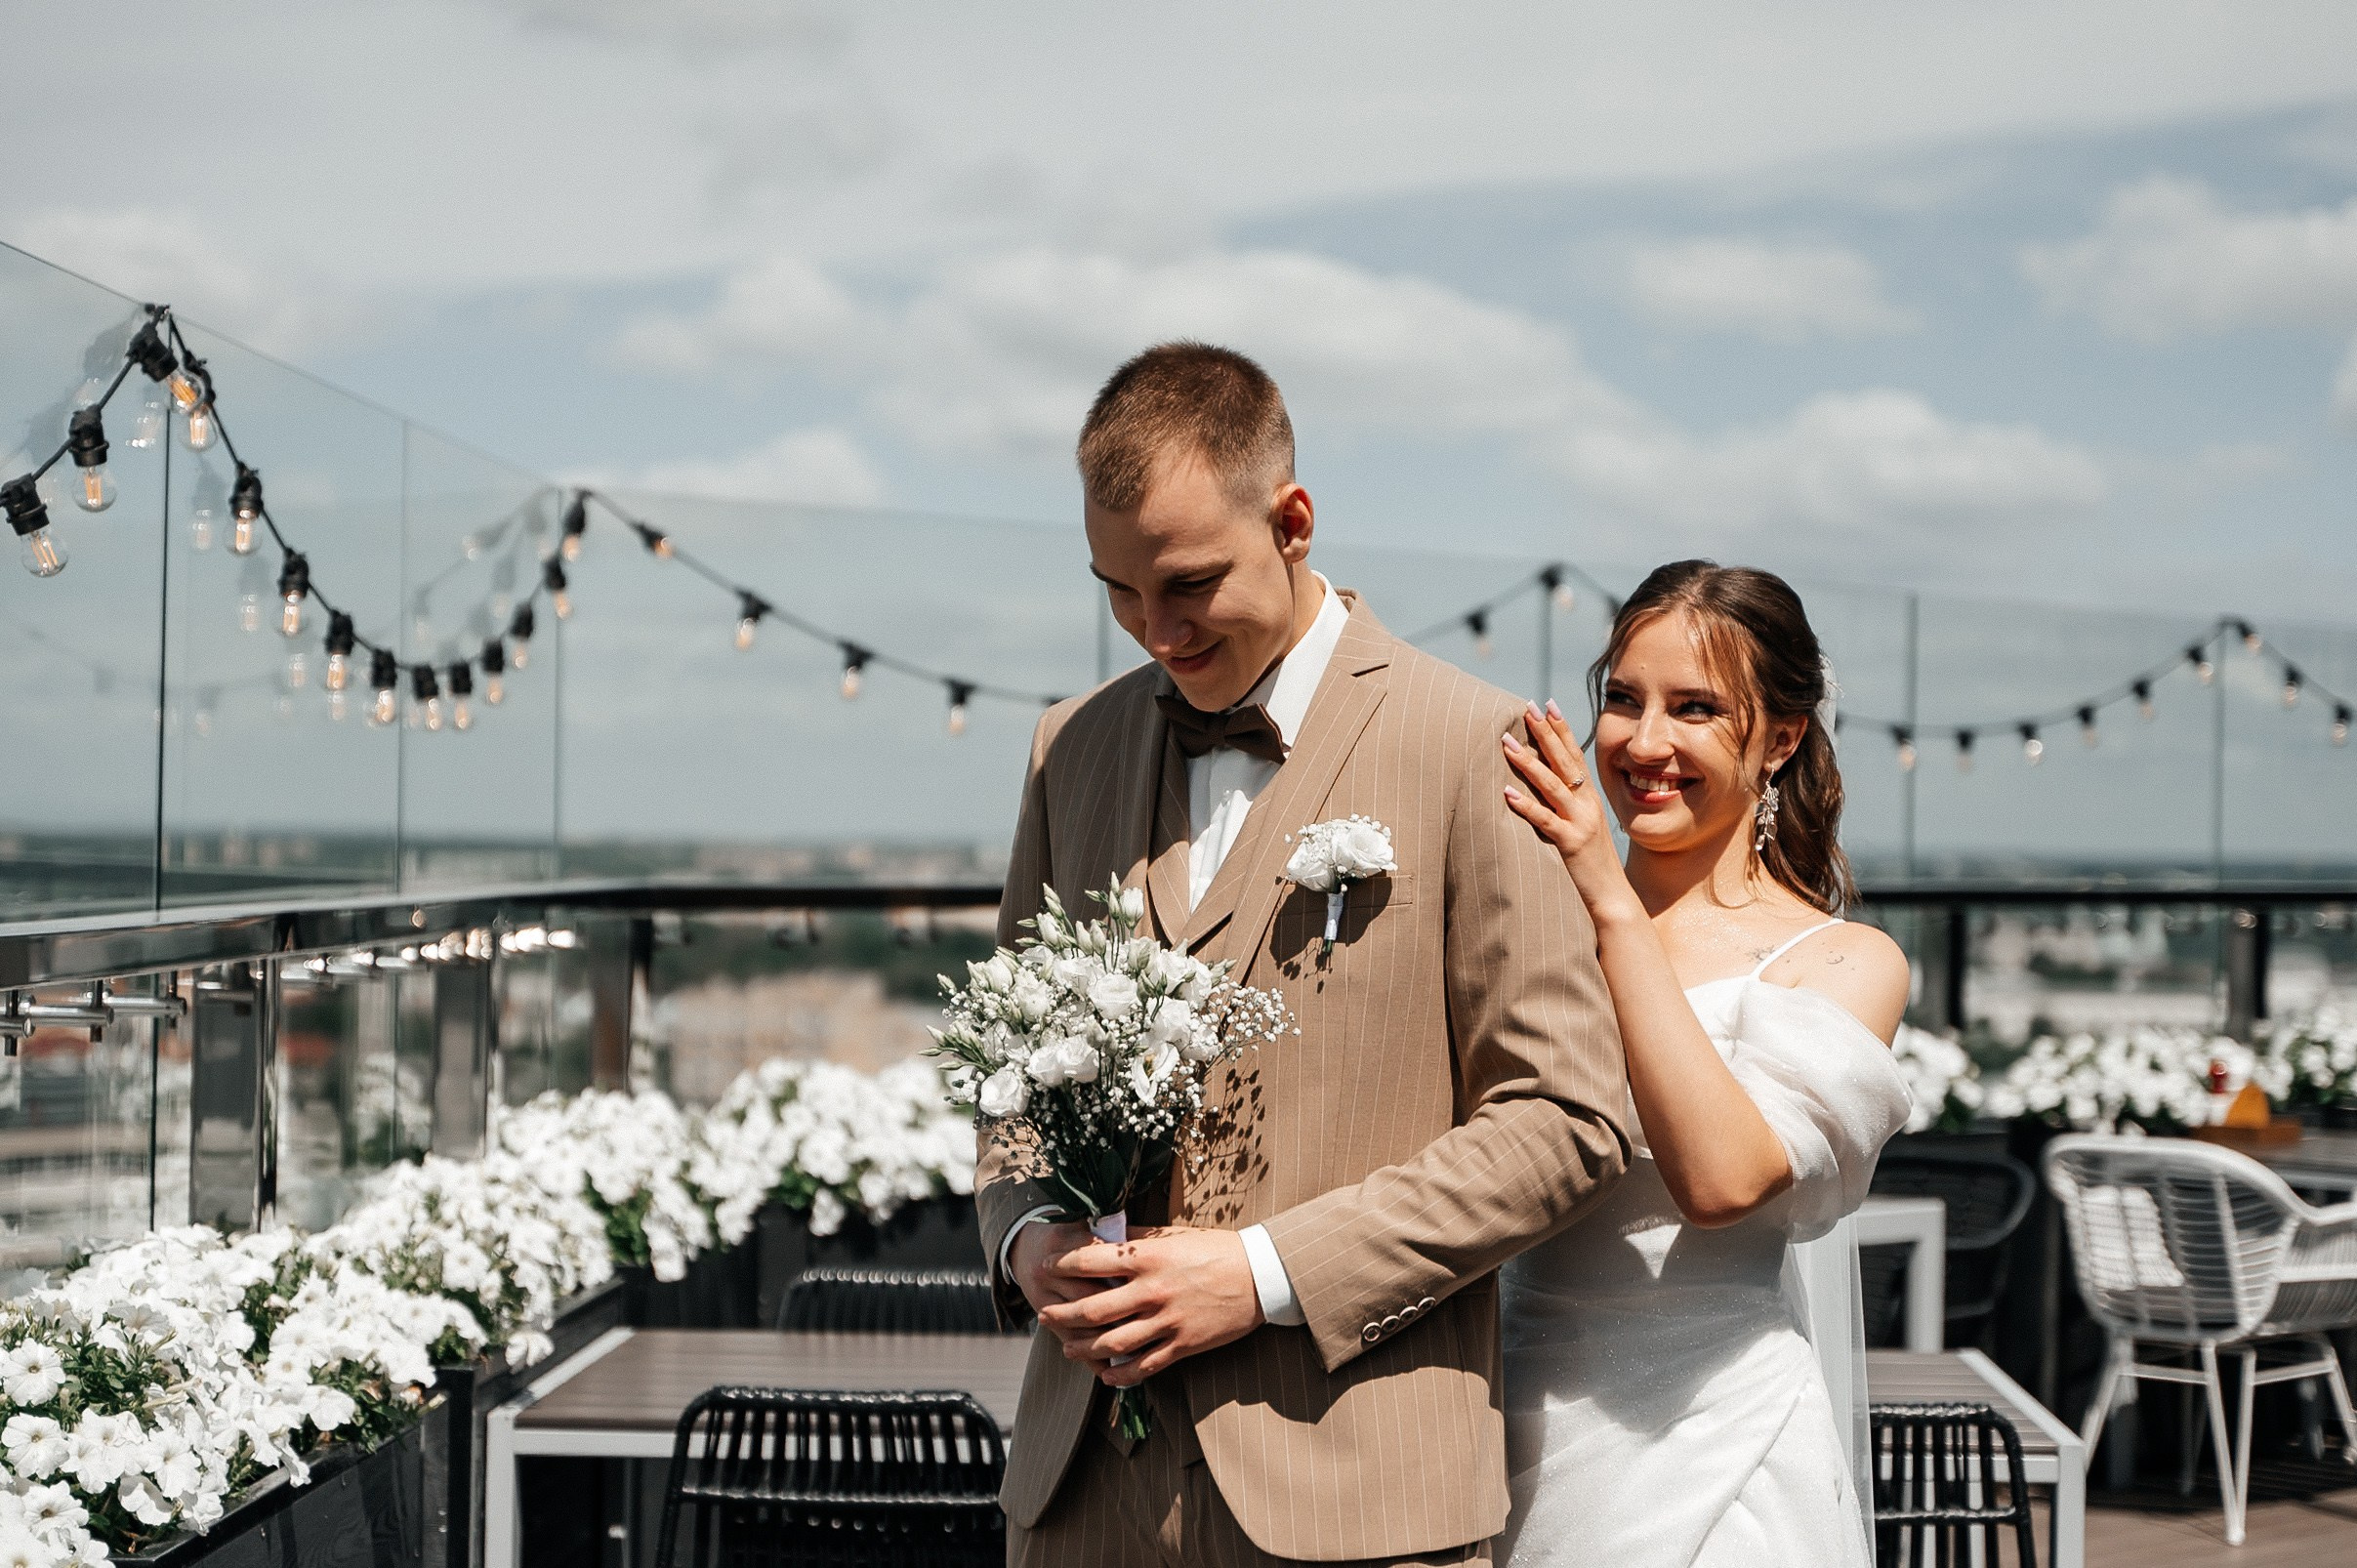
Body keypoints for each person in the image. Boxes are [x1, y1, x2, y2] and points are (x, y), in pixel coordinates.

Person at [977, 341, 1632, 1567]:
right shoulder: (1068, 747)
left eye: (1185, 582)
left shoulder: (1473, 743)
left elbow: (1566, 1121)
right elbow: (1004, 1085)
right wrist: (1026, 1240)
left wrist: (1267, 1273)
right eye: (1115, 590)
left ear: (1292, 521)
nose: (1152, 630)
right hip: (1076, 1501)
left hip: (1355, 1500)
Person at [1493, 560, 1913, 1568]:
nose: (1643, 744)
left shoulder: (1839, 962)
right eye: (1622, 700)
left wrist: (1604, 895)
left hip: (1717, 1454)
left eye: (1692, 709)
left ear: (1779, 738)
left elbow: (1722, 1179)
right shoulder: (1522, 918)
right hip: (1502, 1416)